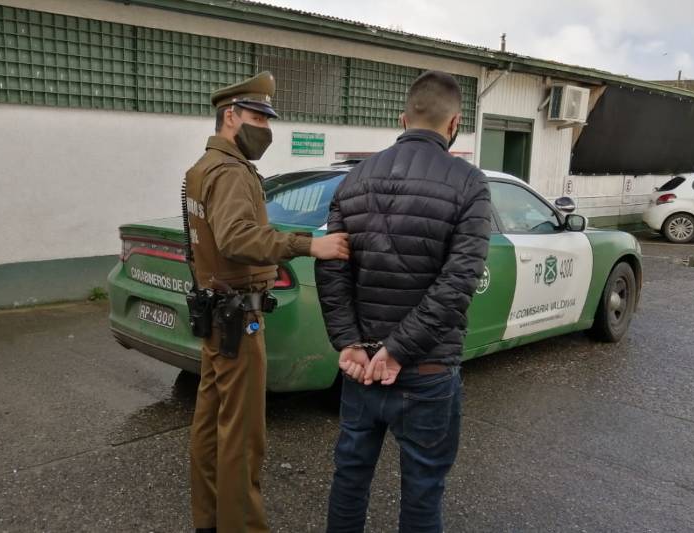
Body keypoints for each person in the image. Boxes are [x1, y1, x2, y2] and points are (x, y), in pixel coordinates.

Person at [315, 71, 492, 533]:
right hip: (427, 371)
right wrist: (399, 350)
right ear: (455, 123)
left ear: (403, 118)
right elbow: (459, 282)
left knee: (349, 479)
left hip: (361, 367)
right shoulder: (469, 183)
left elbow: (331, 267)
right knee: (422, 489)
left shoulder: (354, 178)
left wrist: (350, 342)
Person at [185, 71, 350, 533]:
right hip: (239, 316)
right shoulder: (232, 172)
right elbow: (237, 238)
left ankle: (209, 519)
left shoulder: (203, 168)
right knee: (242, 436)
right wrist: (308, 245)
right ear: (230, 115)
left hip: (218, 313)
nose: (265, 126)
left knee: (210, 424)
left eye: (266, 116)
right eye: (256, 115)